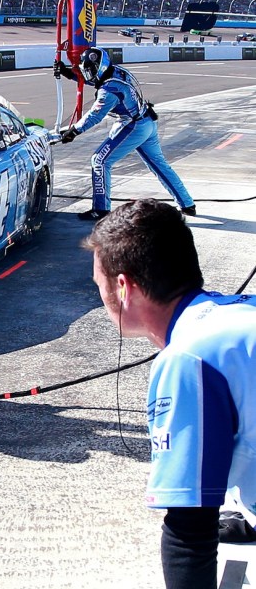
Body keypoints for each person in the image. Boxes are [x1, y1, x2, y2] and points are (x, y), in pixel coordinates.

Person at [83, 199, 256, 589]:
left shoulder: (190, 357)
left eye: (100, 286)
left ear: (124, 287)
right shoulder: (240, 317)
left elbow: (189, 531)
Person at [55, 47, 196, 221]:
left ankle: (101, 209)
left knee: (99, 160)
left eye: (90, 69)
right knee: (159, 164)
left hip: (133, 126)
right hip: (147, 121)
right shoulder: (116, 71)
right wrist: (69, 74)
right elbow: (95, 80)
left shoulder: (108, 92)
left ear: (99, 67)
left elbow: (94, 116)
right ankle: (187, 204)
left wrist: (74, 131)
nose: (88, 73)